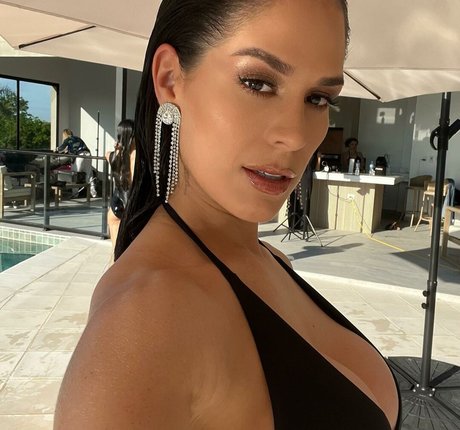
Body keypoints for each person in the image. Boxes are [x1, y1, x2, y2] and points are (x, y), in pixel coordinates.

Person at [55, 1, 400, 429]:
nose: (294, 135)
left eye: (318, 98)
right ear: (170, 79)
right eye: (258, 83)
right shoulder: (143, 325)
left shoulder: (269, 260)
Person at [105, 119, 136, 248]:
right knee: (130, 250)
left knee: (116, 251)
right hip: (132, 207)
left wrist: (117, 148)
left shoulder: (113, 156)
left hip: (115, 206)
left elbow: (106, 154)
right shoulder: (137, 158)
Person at [56, 129, 97, 197]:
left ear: (64, 135)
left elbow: (61, 148)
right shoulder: (77, 138)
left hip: (79, 156)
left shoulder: (67, 139)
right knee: (89, 174)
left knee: (74, 175)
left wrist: (56, 149)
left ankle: (75, 194)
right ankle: (93, 193)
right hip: (88, 154)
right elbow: (75, 147)